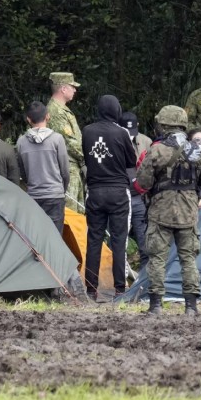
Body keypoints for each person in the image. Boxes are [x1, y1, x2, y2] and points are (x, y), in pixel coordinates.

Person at [136, 106, 201, 315]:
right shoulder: (199, 150)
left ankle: (156, 306)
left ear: (164, 125)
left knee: (157, 259)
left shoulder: (157, 150)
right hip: (188, 211)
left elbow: (143, 182)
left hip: (161, 209)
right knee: (188, 258)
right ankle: (191, 307)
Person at [82, 95, 136, 300]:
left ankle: (91, 290)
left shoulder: (87, 131)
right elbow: (131, 161)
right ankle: (120, 289)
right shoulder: (121, 132)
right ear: (116, 110)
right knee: (119, 240)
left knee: (94, 239)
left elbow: (88, 157)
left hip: (95, 191)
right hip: (118, 192)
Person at [16, 101, 70, 235]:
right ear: (48, 116)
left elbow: (23, 172)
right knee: (56, 238)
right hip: (55, 196)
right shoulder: (57, 139)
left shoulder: (21, 142)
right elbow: (65, 171)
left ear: (28, 119)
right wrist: (61, 189)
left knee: (37, 238)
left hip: (34, 196)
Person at [47, 72, 85, 213]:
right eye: (72, 86)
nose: (75, 89)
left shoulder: (62, 109)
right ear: (63, 89)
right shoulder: (56, 111)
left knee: (78, 213)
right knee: (70, 214)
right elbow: (69, 142)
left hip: (73, 168)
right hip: (67, 169)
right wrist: (87, 157)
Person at [121, 111, 153, 270]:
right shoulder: (115, 140)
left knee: (144, 240)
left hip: (140, 197)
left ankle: (144, 277)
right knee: (119, 240)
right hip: (121, 196)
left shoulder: (146, 141)